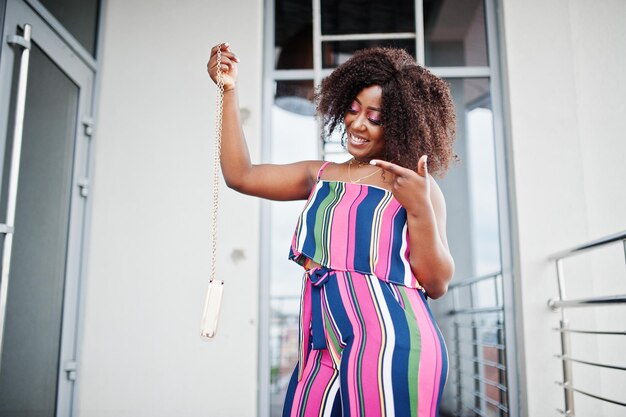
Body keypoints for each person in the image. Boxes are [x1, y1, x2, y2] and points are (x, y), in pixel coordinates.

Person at [207, 43, 456, 417]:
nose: (357, 124)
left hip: (391, 342)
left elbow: (436, 284)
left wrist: (420, 208)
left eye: (375, 117)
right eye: (354, 110)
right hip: (322, 344)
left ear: (401, 121)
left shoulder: (415, 187)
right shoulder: (320, 175)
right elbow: (240, 175)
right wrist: (228, 90)